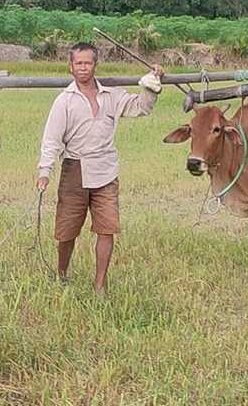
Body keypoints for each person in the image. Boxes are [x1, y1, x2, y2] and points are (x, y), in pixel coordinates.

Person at [35, 42, 163, 292]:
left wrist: (152, 84)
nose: (83, 68)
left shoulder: (112, 96)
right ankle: (62, 274)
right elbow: (51, 140)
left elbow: (141, 107)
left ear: (95, 65)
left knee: (107, 229)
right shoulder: (65, 101)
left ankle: (100, 284)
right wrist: (44, 172)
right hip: (75, 169)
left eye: (88, 63)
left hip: (106, 170)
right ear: (70, 67)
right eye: (78, 63)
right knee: (67, 231)